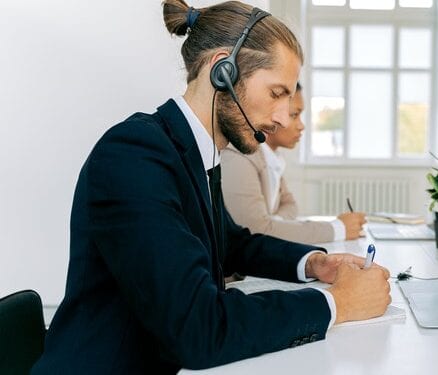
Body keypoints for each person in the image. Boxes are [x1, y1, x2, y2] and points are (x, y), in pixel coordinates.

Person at [31, 1, 390, 373]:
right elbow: (198, 328)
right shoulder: (135, 155)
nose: (284, 116)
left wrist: (315, 264)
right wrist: (337, 303)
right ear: (223, 70)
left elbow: (232, 243)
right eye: (276, 93)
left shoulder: (193, 151)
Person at [221, 84, 366, 244]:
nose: (301, 125)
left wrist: (273, 223)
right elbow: (256, 231)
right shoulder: (238, 157)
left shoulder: (271, 157)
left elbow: (290, 205)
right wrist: (338, 229)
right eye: (294, 115)